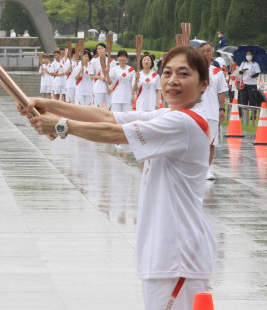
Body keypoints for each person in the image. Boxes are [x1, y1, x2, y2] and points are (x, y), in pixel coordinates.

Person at [18, 45, 216, 310]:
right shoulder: (170, 115)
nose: (172, 81)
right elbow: (107, 116)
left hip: (178, 256)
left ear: (203, 84)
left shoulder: (185, 123)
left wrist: (61, 126)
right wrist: (47, 104)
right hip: (165, 254)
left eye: (183, 74)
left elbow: (113, 134)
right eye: (167, 72)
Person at [198, 42, 228, 181]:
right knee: (197, 143)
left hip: (212, 112)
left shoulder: (217, 72)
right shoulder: (194, 70)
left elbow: (221, 92)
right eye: (203, 51)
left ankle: (206, 169)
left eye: (208, 51)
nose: (205, 53)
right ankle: (195, 169)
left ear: (212, 52)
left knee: (211, 143)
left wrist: (222, 109)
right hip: (196, 111)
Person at [237, 50, 261, 119]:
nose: (248, 56)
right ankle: (245, 115)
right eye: (247, 54)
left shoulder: (255, 64)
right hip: (244, 84)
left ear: (252, 55)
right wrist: (242, 71)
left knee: (252, 100)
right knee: (244, 99)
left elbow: (257, 73)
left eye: (249, 54)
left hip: (252, 84)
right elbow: (240, 72)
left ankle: (253, 115)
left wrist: (252, 76)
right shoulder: (243, 63)